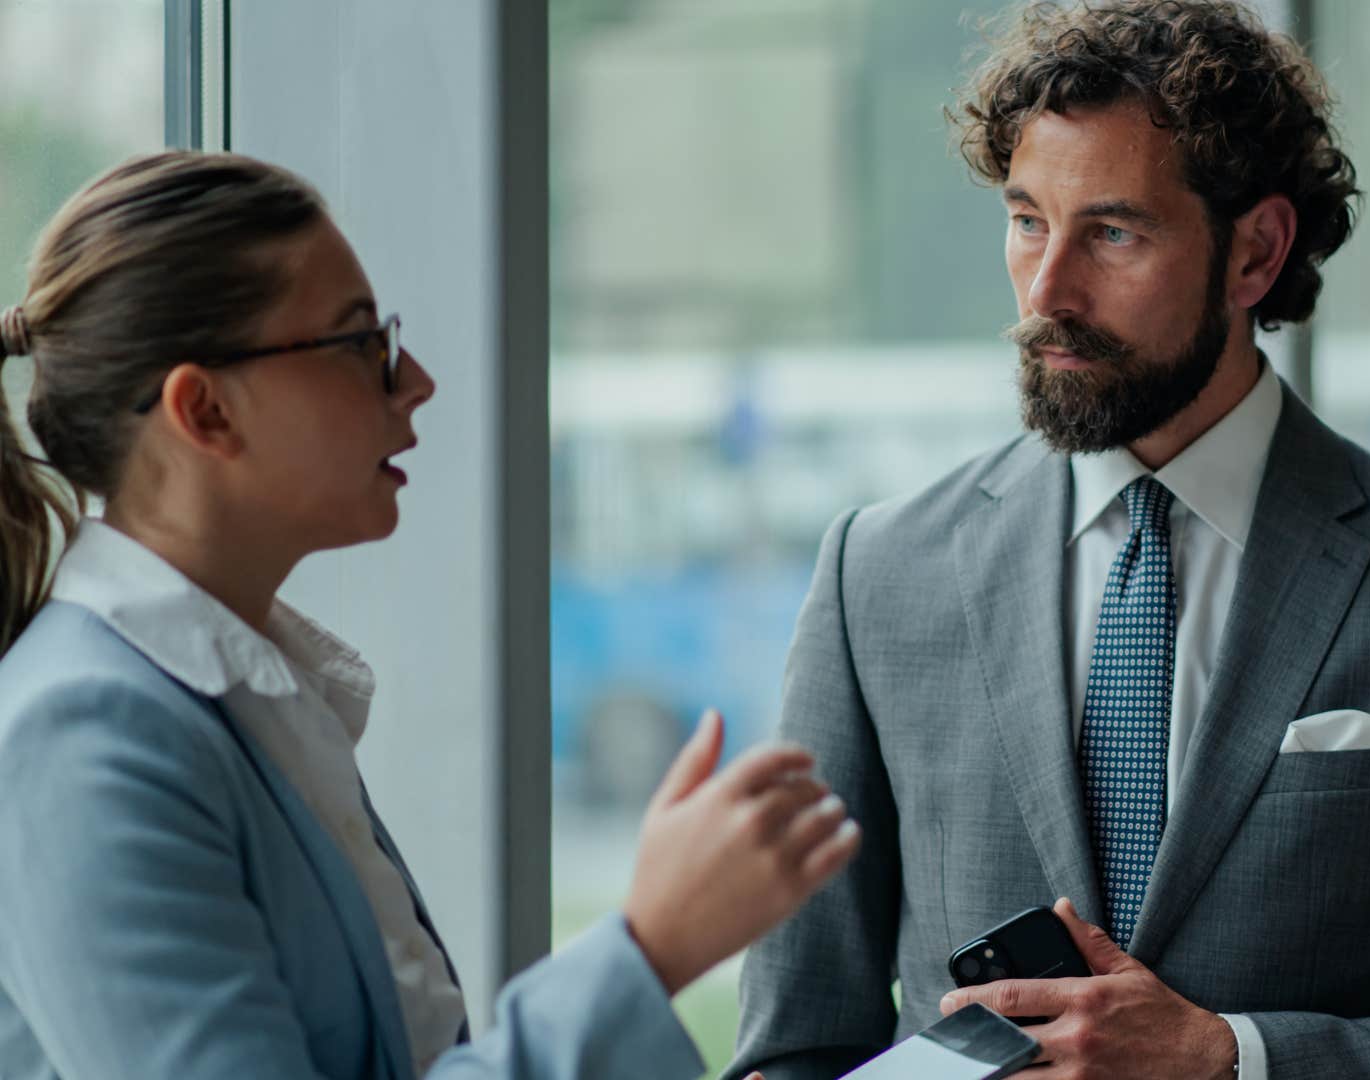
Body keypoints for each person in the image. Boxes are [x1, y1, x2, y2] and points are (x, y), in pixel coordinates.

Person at [726, 2, 1370, 1077]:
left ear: (1255, 254)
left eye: (1112, 232)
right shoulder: (878, 580)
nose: (1047, 289)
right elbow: (795, 1047)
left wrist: (1228, 1056)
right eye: (1025, 221)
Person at [0, 150, 861, 1079]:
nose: (414, 381)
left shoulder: (246, 693)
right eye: (358, 342)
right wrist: (648, 950)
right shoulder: (81, 735)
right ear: (205, 411)